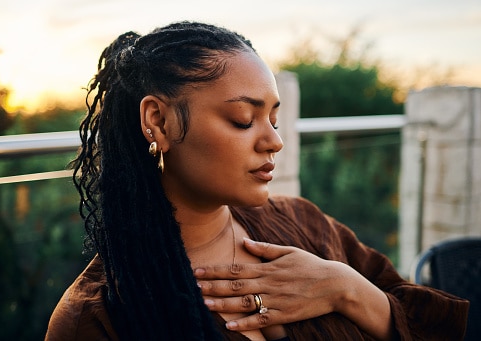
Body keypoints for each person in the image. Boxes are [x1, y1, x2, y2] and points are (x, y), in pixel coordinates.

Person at [45, 21, 468, 340]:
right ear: (159, 120)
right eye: (243, 120)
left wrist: (346, 288)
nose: (274, 142)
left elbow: (435, 323)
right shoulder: (97, 317)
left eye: (274, 119)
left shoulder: (304, 224)